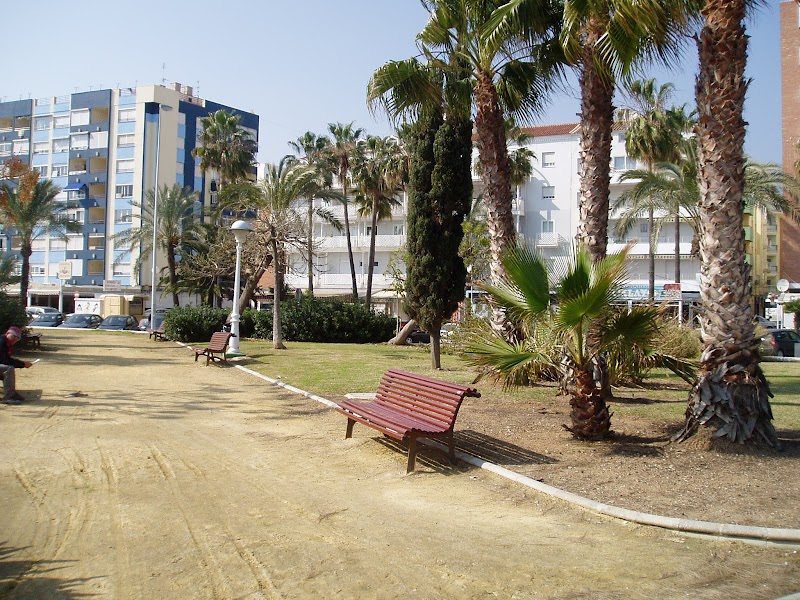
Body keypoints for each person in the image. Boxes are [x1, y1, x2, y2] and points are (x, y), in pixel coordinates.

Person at [0, 326, 33, 405]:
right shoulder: (2, 342)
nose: (15, 340)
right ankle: (8, 397)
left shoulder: (5, 341)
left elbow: (5, 358)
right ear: (7, 334)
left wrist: (20, 363)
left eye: (17, 338)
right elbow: (5, 360)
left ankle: (11, 393)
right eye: (14, 337)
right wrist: (23, 364)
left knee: (7, 368)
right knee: (8, 369)